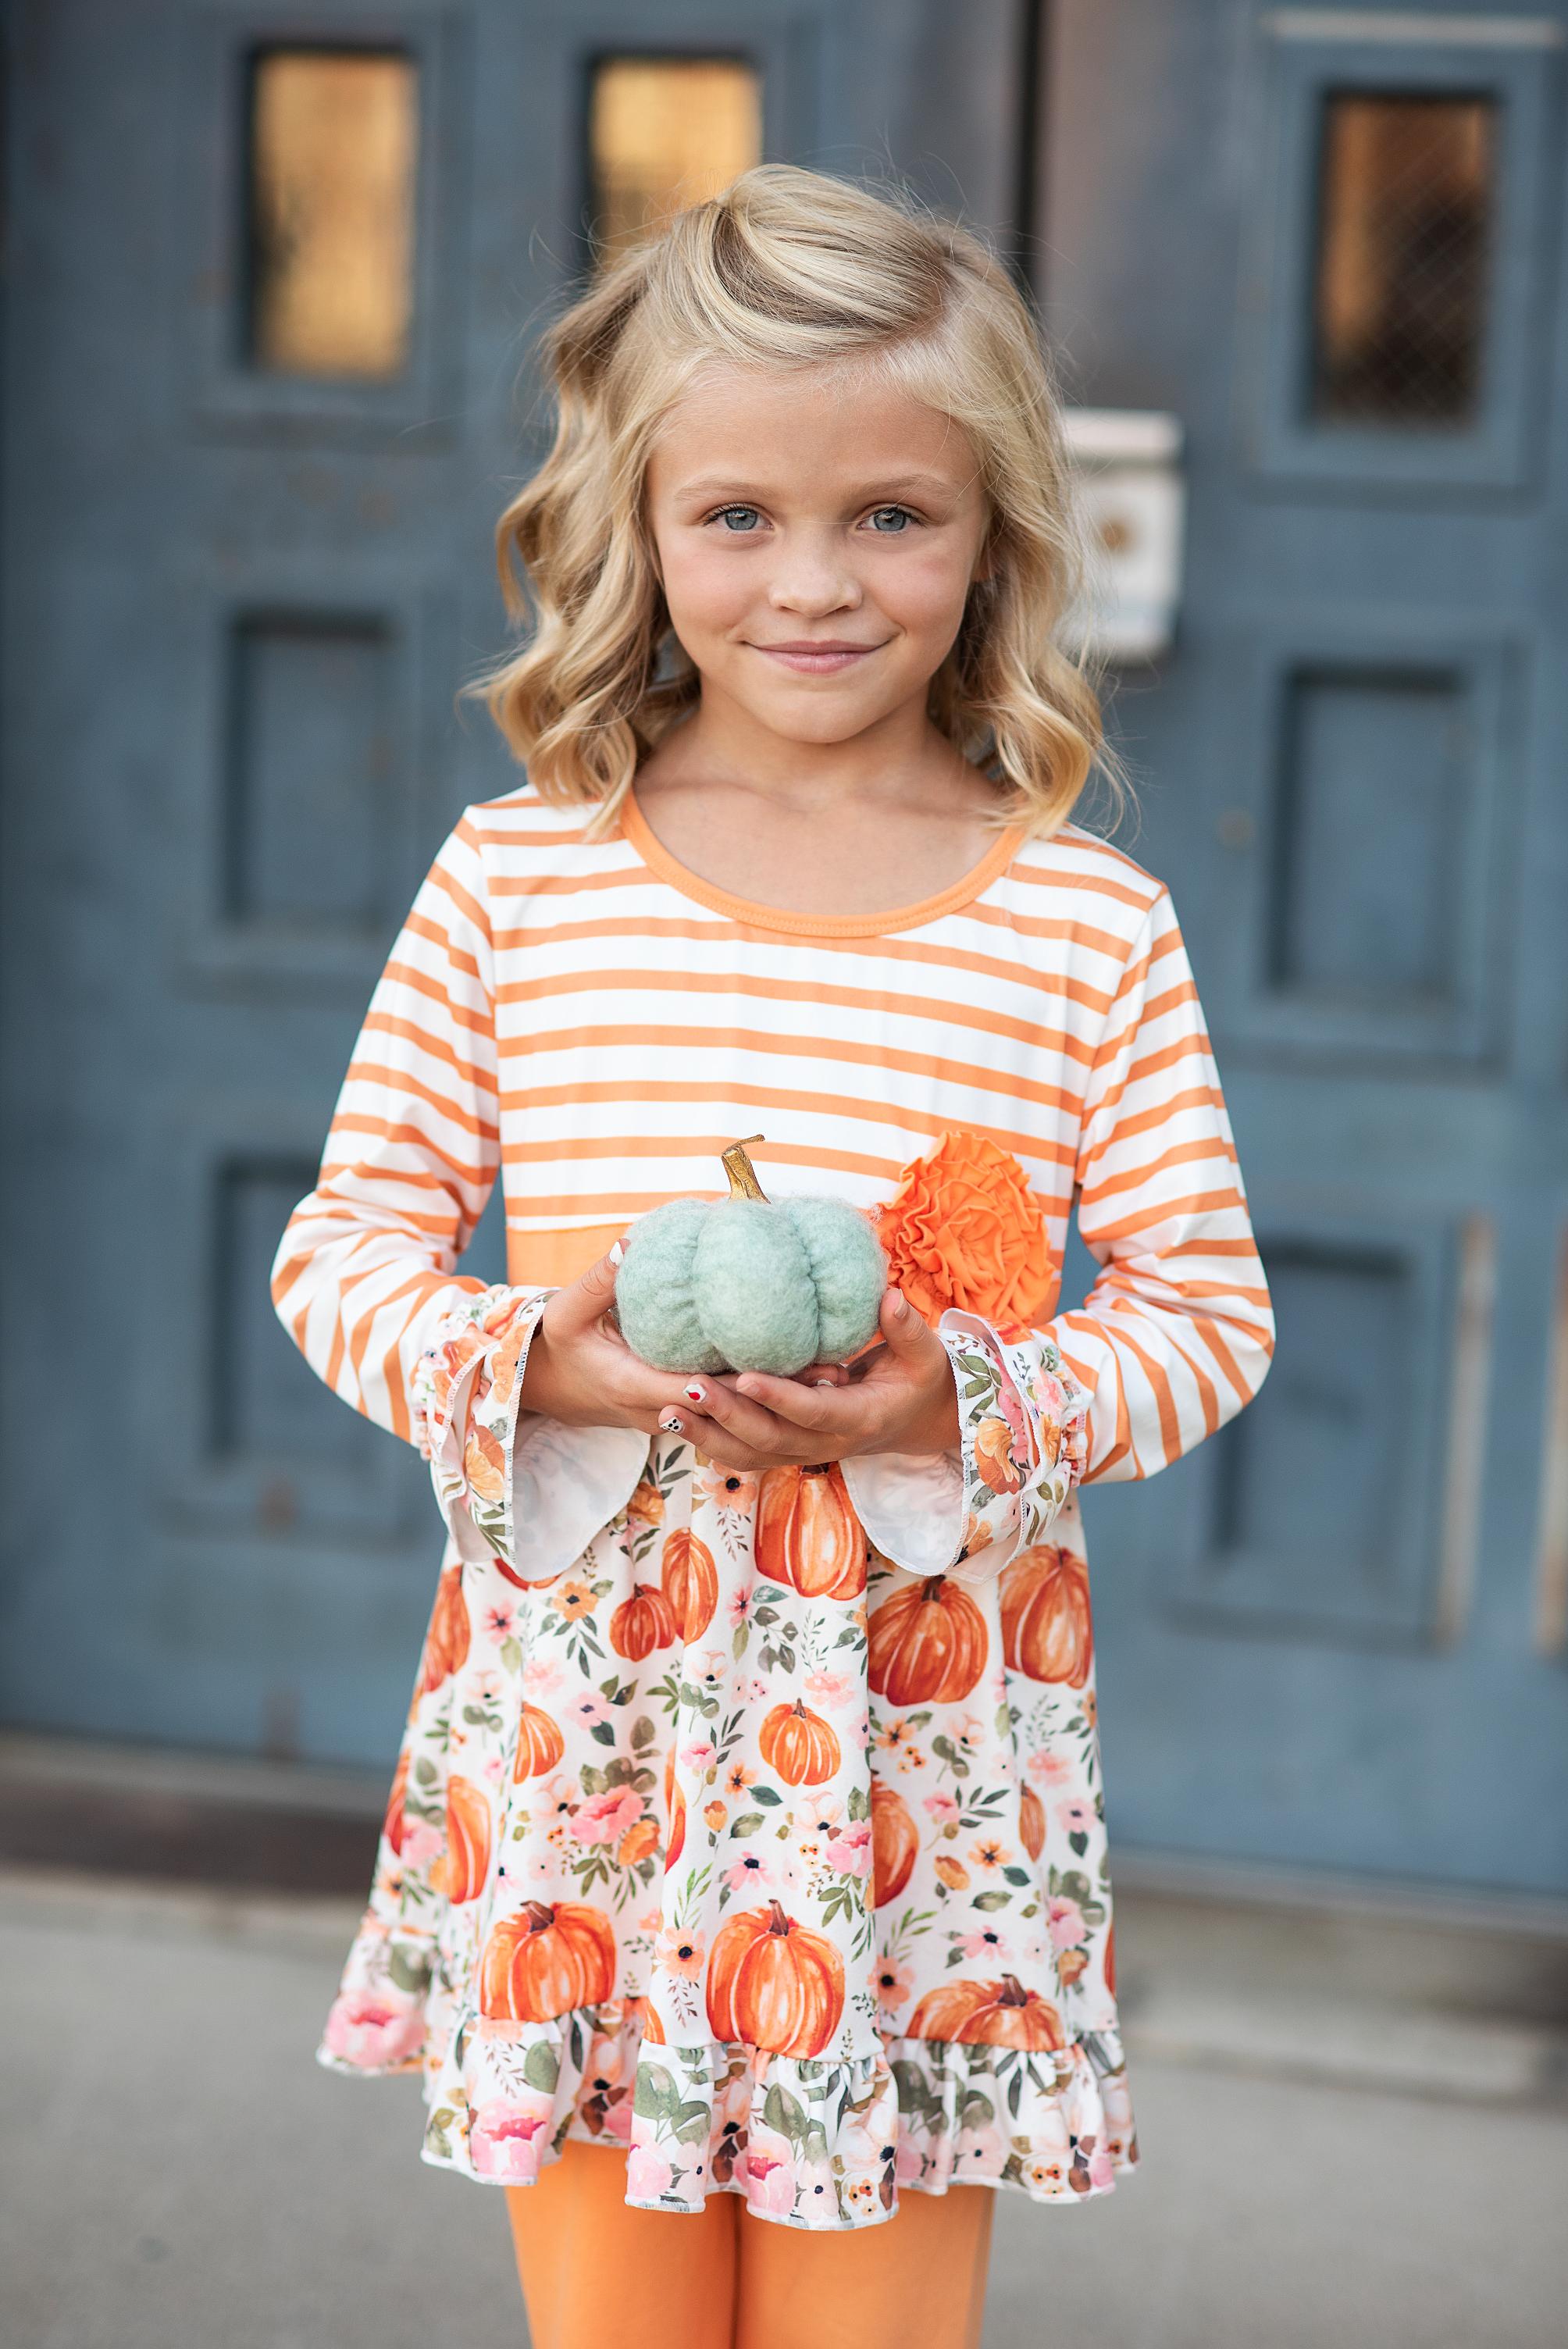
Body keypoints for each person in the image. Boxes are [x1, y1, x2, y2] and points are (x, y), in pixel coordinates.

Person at [272, 164, 1274, 2349]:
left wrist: (973, 1396)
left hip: (928, 1791)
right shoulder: (520, 887)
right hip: (594, 1776)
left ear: (1003, 532)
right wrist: (539, 1348)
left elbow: (1207, 1318)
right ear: (631, 526)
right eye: (736, 516)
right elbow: (341, 1249)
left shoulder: (1080, 924)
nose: (813, 583)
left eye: (892, 518)